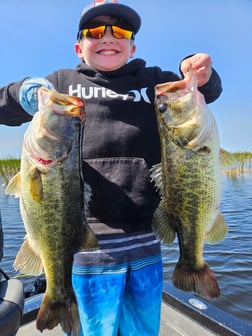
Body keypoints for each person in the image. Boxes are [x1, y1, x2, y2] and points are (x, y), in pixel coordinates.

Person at [0, 1, 222, 335]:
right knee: (94, 328)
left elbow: (206, 91)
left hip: (146, 235)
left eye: (119, 31)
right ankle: (58, 299)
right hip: (84, 238)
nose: (107, 37)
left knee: (141, 328)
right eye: (94, 31)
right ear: (79, 46)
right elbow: (5, 108)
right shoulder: (61, 83)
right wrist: (25, 92)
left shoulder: (154, 82)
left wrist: (198, 71)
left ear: (132, 46)